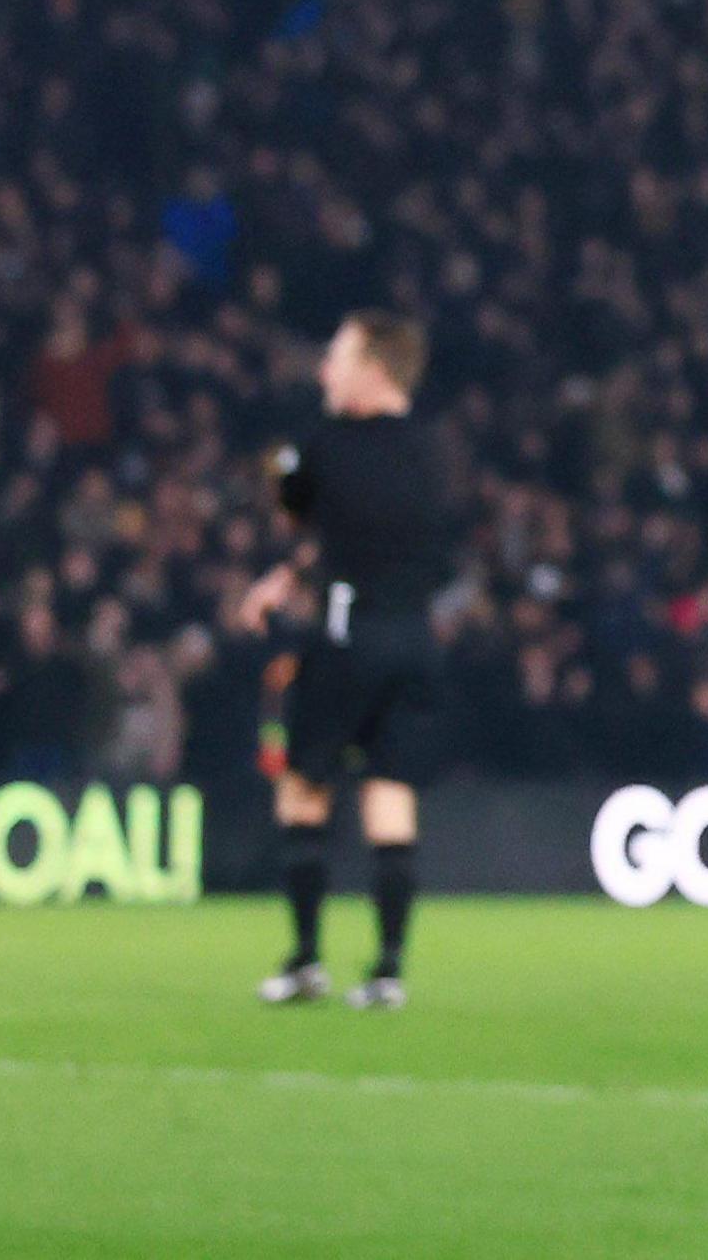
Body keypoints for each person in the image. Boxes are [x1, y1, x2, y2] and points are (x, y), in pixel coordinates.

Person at [236, 313, 459, 1010]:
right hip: (417, 642)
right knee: (391, 798)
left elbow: (298, 508)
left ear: (373, 368)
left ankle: (306, 959)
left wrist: (279, 474)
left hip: (346, 636)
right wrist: (298, 571)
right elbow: (374, 535)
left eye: (336, 356)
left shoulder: (327, 446)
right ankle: (389, 970)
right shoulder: (435, 452)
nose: (325, 370)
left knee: (303, 789)